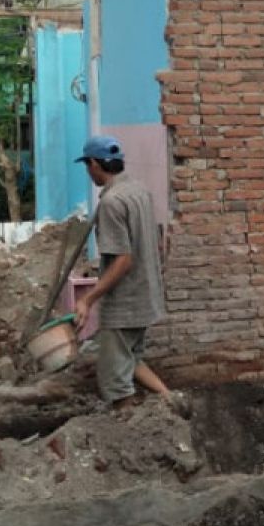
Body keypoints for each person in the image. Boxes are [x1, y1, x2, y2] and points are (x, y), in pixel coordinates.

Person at [74, 135, 175, 410]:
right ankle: (173, 401)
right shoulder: (138, 190)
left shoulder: (112, 202)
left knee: (116, 382)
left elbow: (123, 260)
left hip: (125, 304)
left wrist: (87, 299)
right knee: (130, 359)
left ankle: (130, 432)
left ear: (95, 164)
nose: (89, 172)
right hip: (146, 295)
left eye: (88, 166)